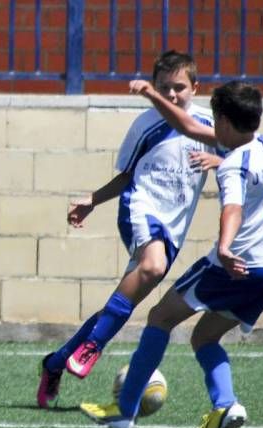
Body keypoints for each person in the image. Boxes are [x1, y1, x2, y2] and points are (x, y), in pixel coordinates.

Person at [81, 80, 263, 428]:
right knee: (204, 337)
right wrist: (154, 96)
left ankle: (124, 411)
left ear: (222, 121)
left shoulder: (231, 167)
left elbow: (233, 209)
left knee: (160, 317)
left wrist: (224, 247)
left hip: (232, 265)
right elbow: (190, 126)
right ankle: (226, 405)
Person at [37, 51, 221, 408]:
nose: (171, 95)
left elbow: (237, 159)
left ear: (195, 88)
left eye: (179, 87)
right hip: (139, 209)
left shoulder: (207, 126)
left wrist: (218, 160)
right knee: (151, 267)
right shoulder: (145, 125)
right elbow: (127, 176)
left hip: (173, 227)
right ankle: (95, 345)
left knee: (125, 300)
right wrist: (92, 199)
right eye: (163, 87)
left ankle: (56, 362)